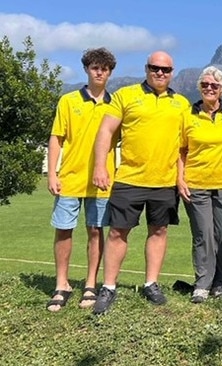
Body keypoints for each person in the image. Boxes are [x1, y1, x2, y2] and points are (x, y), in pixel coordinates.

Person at [92, 51, 191, 314]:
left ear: (172, 72)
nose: (160, 73)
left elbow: (187, 146)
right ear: (146, 68)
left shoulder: (181, 103)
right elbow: (105, 131)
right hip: (129, 178)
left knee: (159, 231)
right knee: (117, 232)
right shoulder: (126, 95)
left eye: (166, 70)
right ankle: (109, 287)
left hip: (165, 181)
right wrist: (100, 166)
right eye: (155, 68)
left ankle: (151, 283)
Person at [46, 47, 117, 312]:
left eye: (105, 68)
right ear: (87, 69)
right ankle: (61, 283)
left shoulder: (116, 104)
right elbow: (56, 138)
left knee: (96, 231)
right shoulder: (68, 101)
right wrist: (52, 173)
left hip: (102, 181)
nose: (100, 72)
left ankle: (90, 284)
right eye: (95, 67)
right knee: (63, 230)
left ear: (110, 72)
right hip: (70, 178)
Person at [178, 66, 222, 303]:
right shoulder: (188, 114)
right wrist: (180, 178)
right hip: (196, 184)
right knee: (203, 234)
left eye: (214, 85)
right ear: (199, 87)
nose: (209, 88)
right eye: (205, 85)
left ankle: (221, 283)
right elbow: (181, 150)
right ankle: (202, 284)